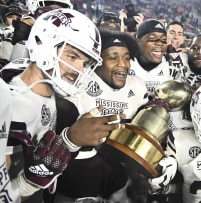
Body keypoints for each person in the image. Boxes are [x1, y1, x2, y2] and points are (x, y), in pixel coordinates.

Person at [1, 8, 123, 201]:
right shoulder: (12, 106)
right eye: (72, 56)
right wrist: (31, 182)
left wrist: (68, 142)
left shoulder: (34, 78)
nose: (79, 70)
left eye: (85, 62)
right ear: (42, 44)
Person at [48, 28, 150, 202]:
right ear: (96, 61)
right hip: (80, 168)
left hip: (119, 168)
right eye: (113, 57)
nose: (123, 64)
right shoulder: (77, 82)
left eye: (126, 58)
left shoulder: (138, 87)